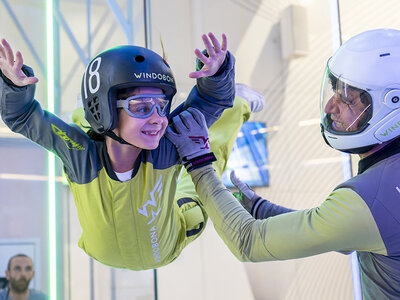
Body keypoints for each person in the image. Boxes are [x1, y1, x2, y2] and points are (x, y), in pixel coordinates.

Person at [166, 28, 400, 299]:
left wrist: (198, 161)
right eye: (335, 90)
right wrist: (259, 207)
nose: (329, 108)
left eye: (347, 99)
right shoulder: (379, 192)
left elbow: (248, 241)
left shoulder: (372, 199)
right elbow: (337, 232)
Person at [0, 33, 253, 270]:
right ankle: (88, 111)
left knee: (204, 157)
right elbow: (23, 116)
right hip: (113, 240)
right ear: (107, 108)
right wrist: (14, 88)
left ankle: (240, 101)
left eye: (162, 107)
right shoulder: (81, 155)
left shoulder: (165, 144)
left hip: (169, 239)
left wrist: (217, 76)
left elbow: (209, 104)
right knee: (81, 136)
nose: (158, 119)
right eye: (141, 108)